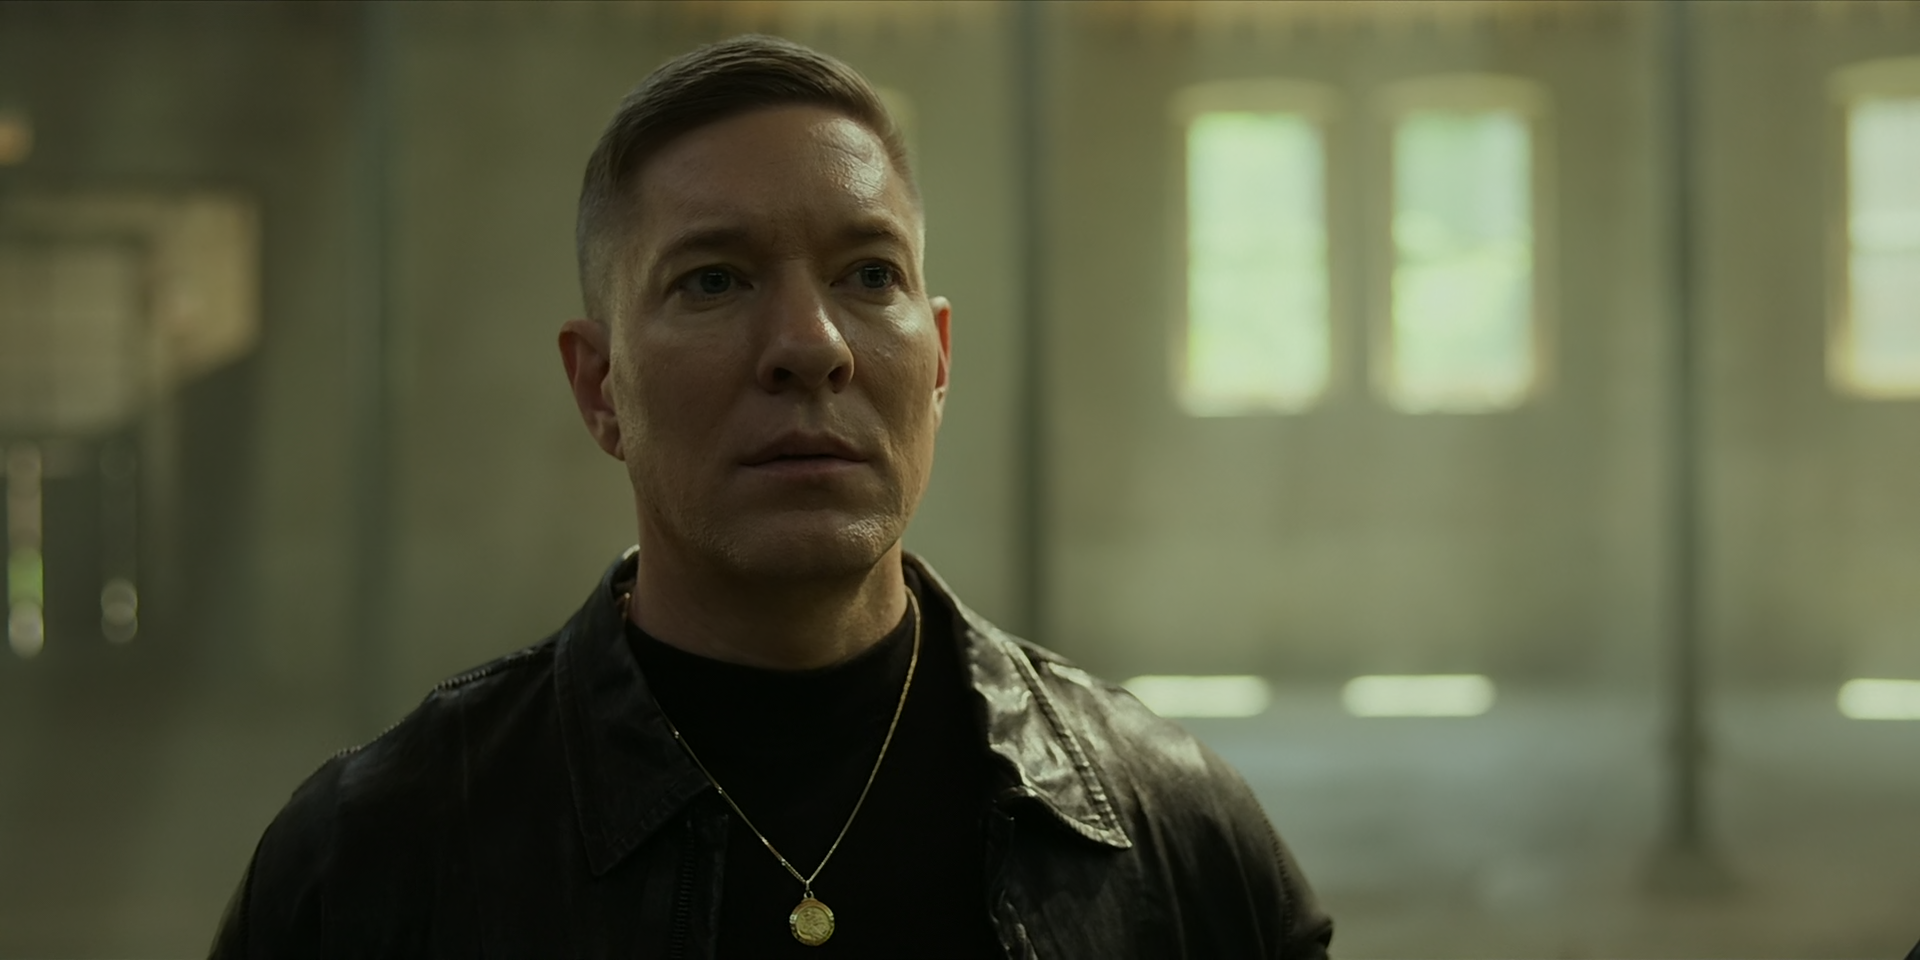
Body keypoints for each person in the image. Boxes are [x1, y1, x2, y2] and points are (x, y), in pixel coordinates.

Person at [210, 34, 1332, 959]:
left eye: (869, 275)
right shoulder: (378, 861)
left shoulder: (1172, 839)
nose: (812, 344)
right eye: (714, 280)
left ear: (939, 363)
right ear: (601, 389)